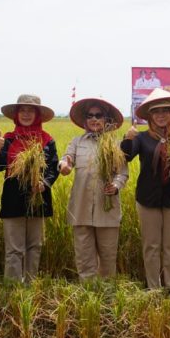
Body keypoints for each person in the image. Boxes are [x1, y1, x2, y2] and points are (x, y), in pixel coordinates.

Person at [121, 88, 170, 293]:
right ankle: (153, 287)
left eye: (165, 110)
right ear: (150, 116)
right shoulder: (141, 138)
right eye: (156, 111)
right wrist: (127, 138)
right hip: (147, 199)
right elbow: (125, 157)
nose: (161, 115)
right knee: (151, 246)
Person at [59, 98, 128, 281]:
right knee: (84, 255)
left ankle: (107, 294)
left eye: (99, 115)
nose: (94, 119)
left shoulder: (115, 145)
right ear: (85, 120)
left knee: (107, 256)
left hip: (107, 209)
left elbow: (122, 173)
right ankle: (88, 293)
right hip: (80, 209)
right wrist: (63, 165)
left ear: (107, 119)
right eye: (90, 116)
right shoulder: (76, 142)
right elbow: (67, 159)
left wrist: (115, 185)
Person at [0, 94, 58, 283]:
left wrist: (44, 184)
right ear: (16, 114)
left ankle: (30, 285)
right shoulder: (8, 139)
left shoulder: (47, 140)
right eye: (23, 110)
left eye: (31, 111)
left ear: (37, 115)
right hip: (13, 196)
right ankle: (13, 287)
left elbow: (53, 168)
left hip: (39, 196)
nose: (26, 114)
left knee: (34, 245)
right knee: (14, 248)